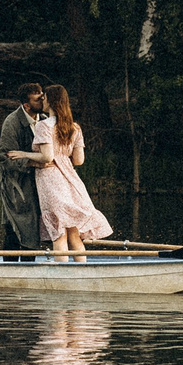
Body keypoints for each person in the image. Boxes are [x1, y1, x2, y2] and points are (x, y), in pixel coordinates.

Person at [32, 83, 113, 255]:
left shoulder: (43, 126)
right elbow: (79, 160)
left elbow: (47, 157)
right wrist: (63, 156)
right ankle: (80, 269)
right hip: (70, 180)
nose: (43, 101)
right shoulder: (75, 128)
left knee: (59, 233)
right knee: (74, 234)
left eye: (44, 98)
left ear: (51, 101)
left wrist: (24, 155)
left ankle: (62, 270)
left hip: (50, 179)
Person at [0, 83, 47, 257]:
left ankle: (29, 266)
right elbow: (4, 156)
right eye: (37, 99)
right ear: (26, 105)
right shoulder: (12, 122)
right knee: (15, 227)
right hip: (15, 184)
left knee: (34, 228)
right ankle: (10, 268)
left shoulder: (45, 119)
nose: (43, 101)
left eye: (42, 97)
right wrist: (33, 163)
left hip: (38, 183)